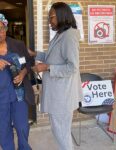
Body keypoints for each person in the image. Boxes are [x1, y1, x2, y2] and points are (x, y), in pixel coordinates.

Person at [29, 2, 83, 150]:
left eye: (51, 17)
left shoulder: (69, 36)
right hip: (58, 93)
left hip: (62, 95)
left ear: (62, 16)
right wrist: (35, 54)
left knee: (61, 132)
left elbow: (72, 67)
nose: (49, 20)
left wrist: (46, 67)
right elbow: (54, 56)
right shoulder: (61, 34)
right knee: (59, 130)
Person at [0, 13, 34, 150]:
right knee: (3, 128)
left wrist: (23, 73)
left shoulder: (17, 44)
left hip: (19, 94)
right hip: (1, 97)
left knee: (22, 127)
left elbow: (29, 62)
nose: (0, 32)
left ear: (6, 28)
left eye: (2, 28)